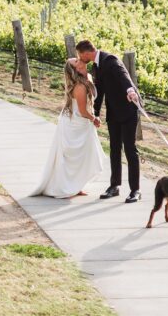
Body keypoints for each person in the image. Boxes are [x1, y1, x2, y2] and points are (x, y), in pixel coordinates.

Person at [75, 39, 141, 203]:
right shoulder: (97, 65)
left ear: (86, 53)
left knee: (130, 149)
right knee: (114, 149)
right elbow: (101, 91)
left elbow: (124, 76)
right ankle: (114, 186)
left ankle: (135, 190)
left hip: (127, 111)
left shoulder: (110, 60)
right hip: (113, 114)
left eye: (79, 55)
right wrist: (95, 113)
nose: (79, 58)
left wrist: (131, 91)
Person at [31, 58, 105, 198]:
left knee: (83, 156)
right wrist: (94, 119)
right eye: (76, 61)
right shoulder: (79, 87)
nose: (80, 60)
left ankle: (77, 186)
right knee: (72, 157)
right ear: (75, 70)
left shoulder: (88, 77)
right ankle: (67, 187)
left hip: (82, 123)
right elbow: (83, 111)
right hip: (75, 123)